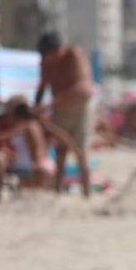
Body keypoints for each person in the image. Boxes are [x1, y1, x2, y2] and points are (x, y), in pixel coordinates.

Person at [0, 97, 82, 203]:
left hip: (34, 165)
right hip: (44, 163)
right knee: (32, 192)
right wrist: (76, 150)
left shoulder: (26, 125)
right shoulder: (39, 124)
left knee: (31, 192)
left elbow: (5, 135)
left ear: (17, 115)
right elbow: (64, 136)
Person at [34, 32, 94, 198]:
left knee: (81, 152)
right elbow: (41, 87)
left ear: (58, 49)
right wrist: (36, 108)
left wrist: (50, 104)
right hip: (60, 110)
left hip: (81, 108)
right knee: (60, 152)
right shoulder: (46, 63)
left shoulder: (74, 55)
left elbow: (82, 87)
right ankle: (58, 192)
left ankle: (87, 194)